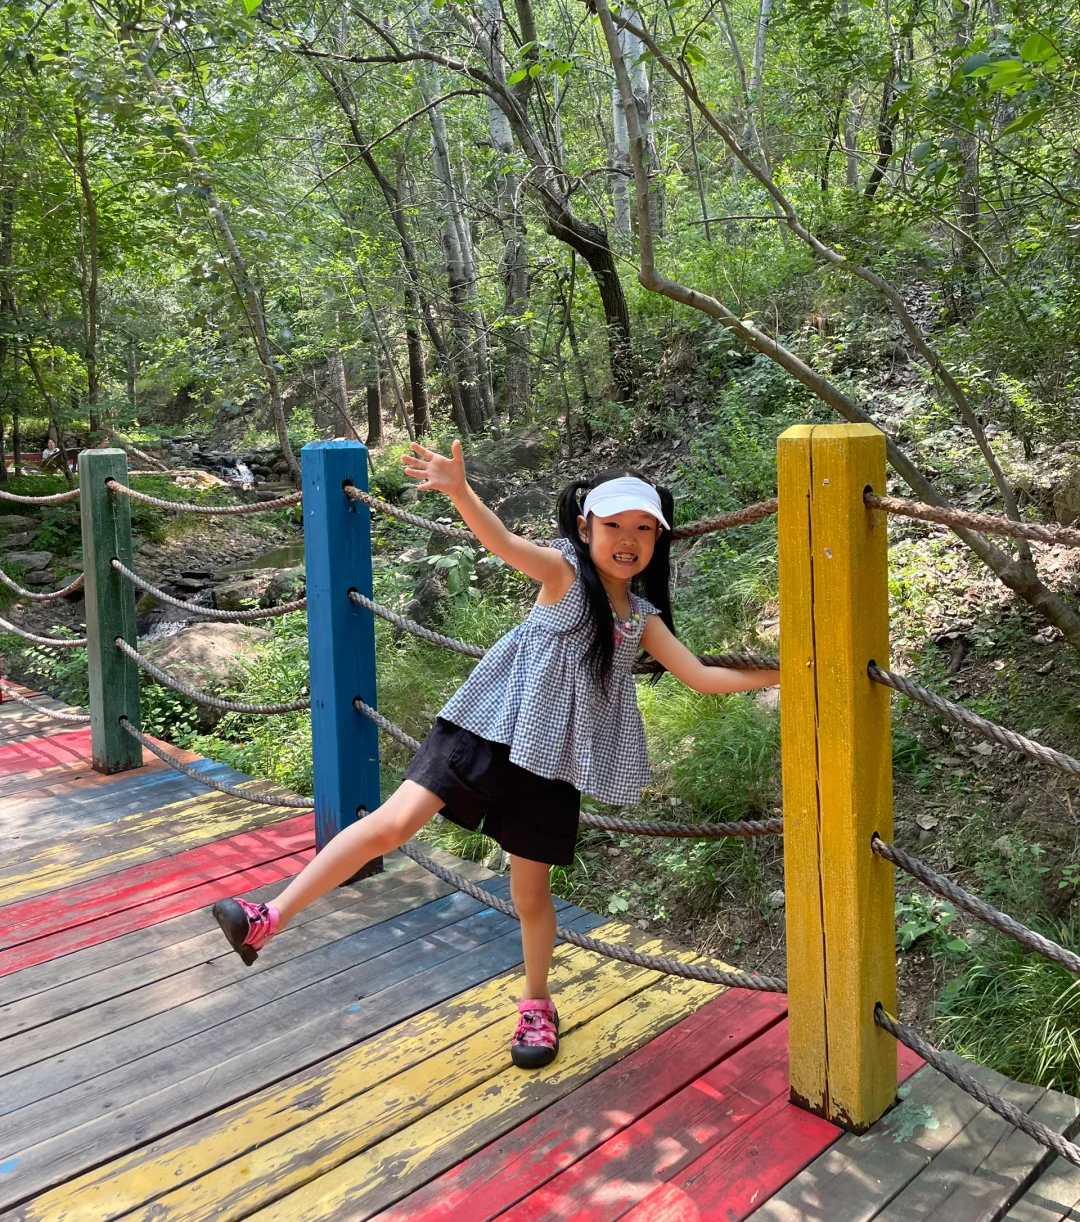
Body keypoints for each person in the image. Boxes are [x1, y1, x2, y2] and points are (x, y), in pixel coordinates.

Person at [211, 442, 780, 1068]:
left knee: (531, 895)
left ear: (657, 542)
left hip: (553, 761)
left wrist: (784, 676)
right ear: (585, 526)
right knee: (392, 824)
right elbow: (503, 542)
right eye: (614, 525)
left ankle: (537, 1003)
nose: (629, 540)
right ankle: (270, 914)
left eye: (644, 529)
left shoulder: (639, 617)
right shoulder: (562, 574)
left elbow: (699, 674)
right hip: (487, 729)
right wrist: (458, 489)